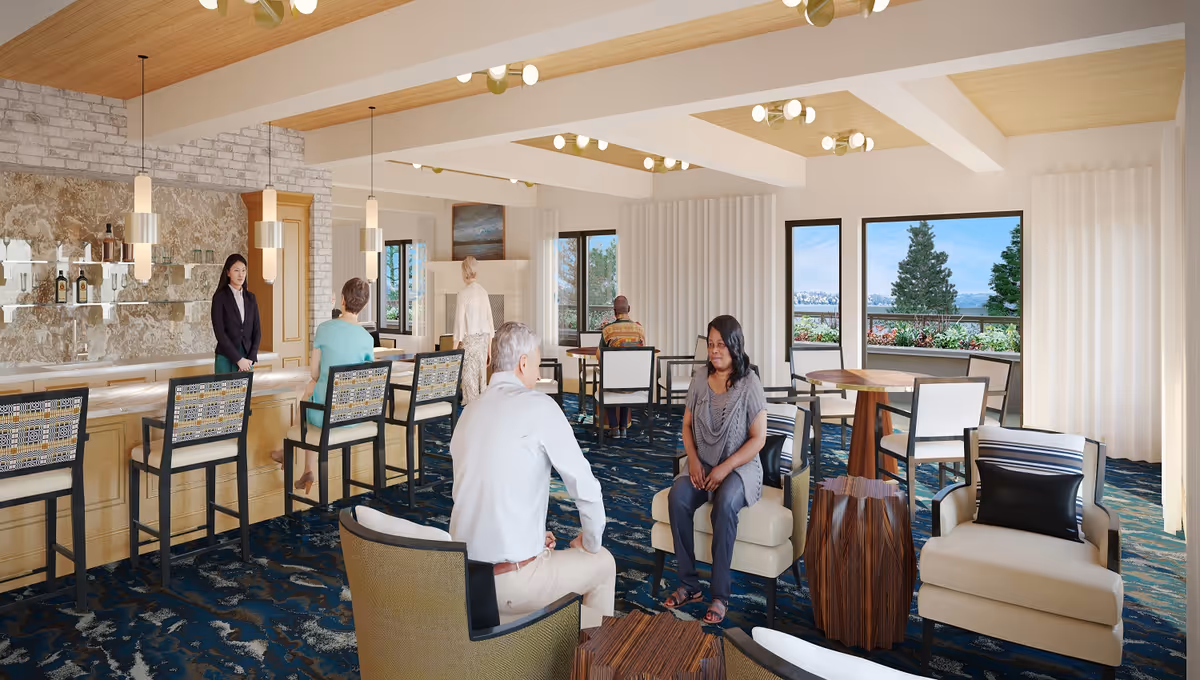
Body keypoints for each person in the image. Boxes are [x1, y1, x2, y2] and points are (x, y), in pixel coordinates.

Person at [449, 321, 616, 629]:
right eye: (537, 365)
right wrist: (591, 542)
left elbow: (483, 494)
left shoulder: (468, 412)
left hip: (464, 582)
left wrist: (531, 539)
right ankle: (592, 651)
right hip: (513, 586)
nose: (538, 376)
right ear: (523, 363)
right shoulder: (540, 407)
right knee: (604, 563)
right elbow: (586, 489)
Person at [662, 315, 767, 625]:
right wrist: (693, 460)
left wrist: (724, 468)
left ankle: (720, 595)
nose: (715, 350)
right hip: (703, 462)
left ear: (735, 346)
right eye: (710, 344)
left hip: (739, 467)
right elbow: (686, 426)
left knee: (724, 504)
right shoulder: (698, 379)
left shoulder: (750, 383)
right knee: (677, 497)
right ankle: (689, 584)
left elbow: (758, 438)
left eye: (721, 344)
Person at [271, 278, 375, 494]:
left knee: (310, 392)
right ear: (364, 305)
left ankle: (290, 452)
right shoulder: (367, 339)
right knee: (312, 394)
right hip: (354, 414)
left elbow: (315, 373)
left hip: (326, 415)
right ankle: (304, 467)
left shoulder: (325, 329)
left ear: (342, 300)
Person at [597, 295, 645, 438]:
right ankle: (623, 427)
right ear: (628, 309)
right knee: (626, 376)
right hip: (635, 383)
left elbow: (599, 355)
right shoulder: (639, 330)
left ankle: (614, 427)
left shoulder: (608, 330)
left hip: (613, 384)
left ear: (614, 311)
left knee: (608, 379)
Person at [453, 256, 495, 405]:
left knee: (469, 384)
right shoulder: (484, 292)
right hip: (483, 344)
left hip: (470, 345)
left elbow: (459, 325)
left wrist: (453, 352)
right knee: (481, 383)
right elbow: (490, 324)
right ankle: (481, 412)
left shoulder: (462, 294)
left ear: (464, 272)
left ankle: (470, 412)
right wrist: (489, 351)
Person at [211, 254, 261, 373]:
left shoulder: (251, 298)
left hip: (247, 360)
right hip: (226, 358)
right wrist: (239, 359)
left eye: (243, 270)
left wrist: (251, 358)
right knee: (224, 386)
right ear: (228, 272)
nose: (241, 274)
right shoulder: (219, 298)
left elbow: (257, 330)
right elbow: (220, 333)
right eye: (236, 270)